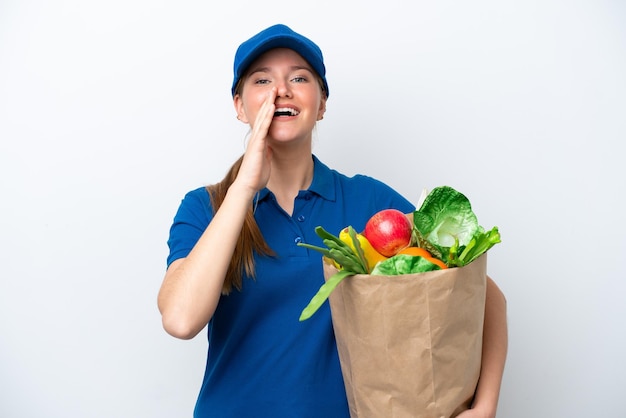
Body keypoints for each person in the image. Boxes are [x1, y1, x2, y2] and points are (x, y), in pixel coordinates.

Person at [157, 23, 508, 418]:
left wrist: (485, 404)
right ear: (240, 107)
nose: (281, 90)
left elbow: (480, 292)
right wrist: (244, 188)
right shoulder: (205, 207)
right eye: (262, 80)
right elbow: (181, 319)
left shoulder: (368, 202)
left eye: (299, 77)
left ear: (321, 103)